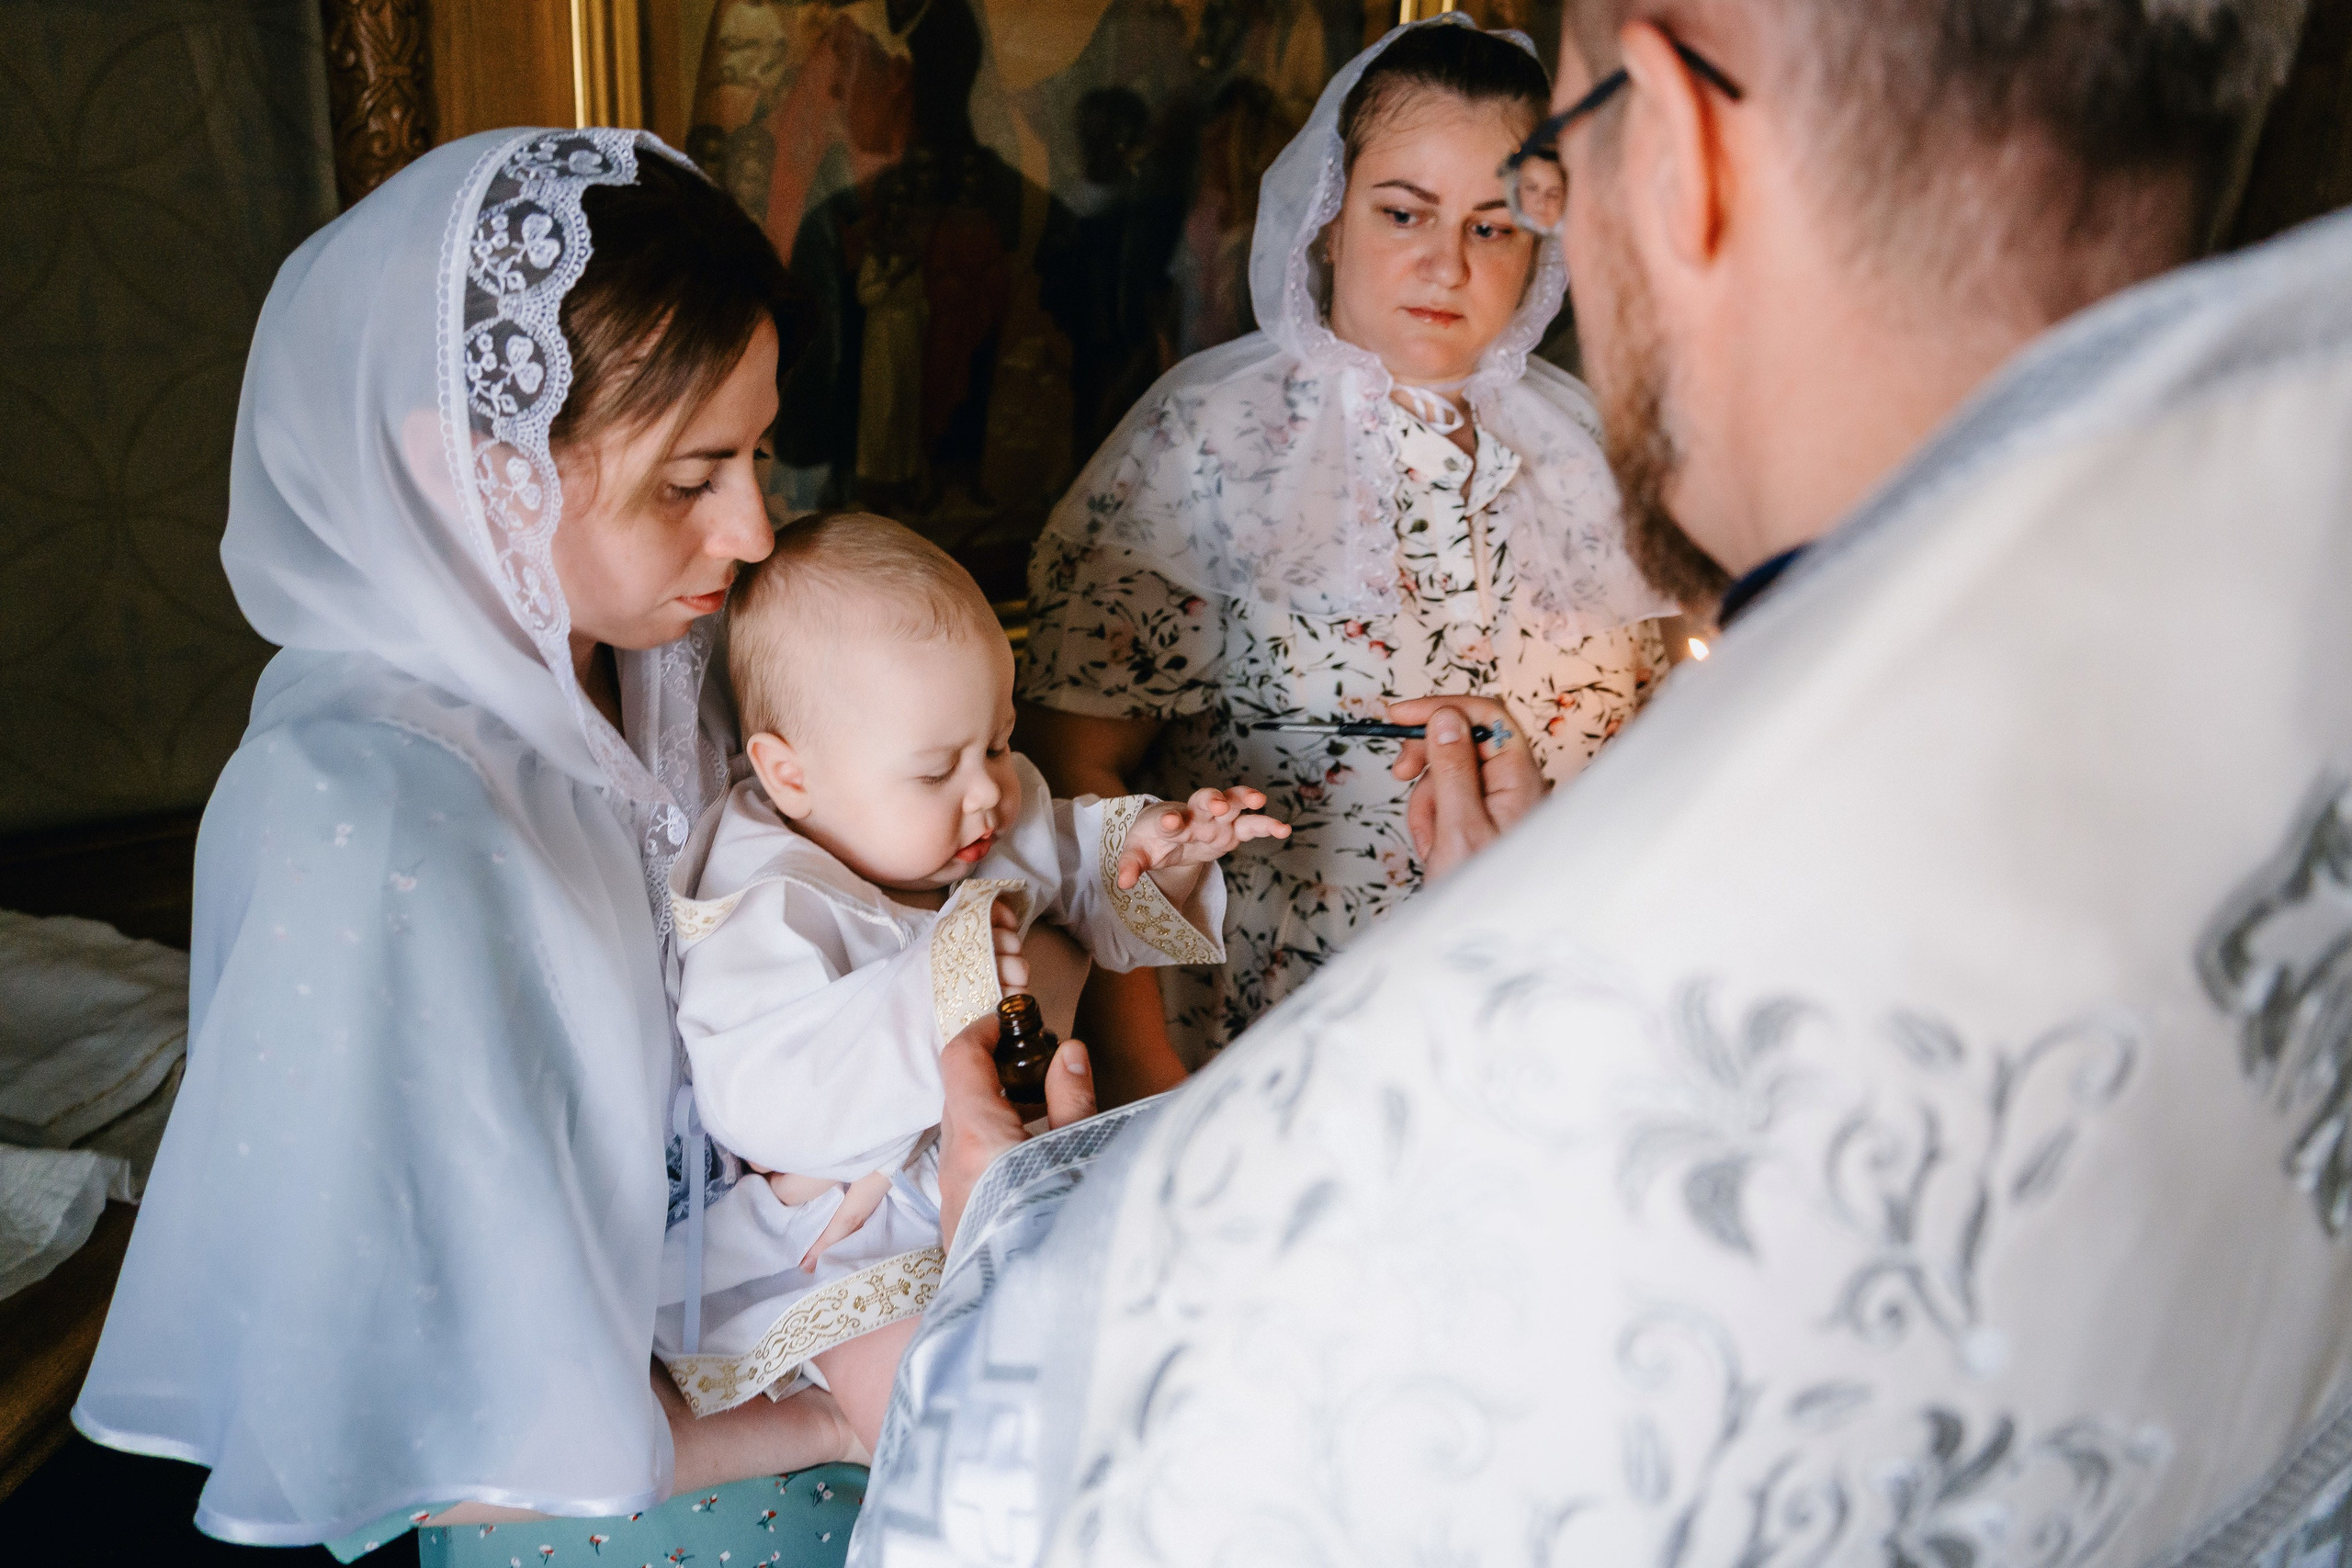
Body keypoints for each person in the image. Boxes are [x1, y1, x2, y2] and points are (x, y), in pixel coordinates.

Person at [855, 1, 2352, 1563]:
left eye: (1542, 184)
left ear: (1681, 157)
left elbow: (1062, 1482)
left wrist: (1023, 1243)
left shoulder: (1524, 1067)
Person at [68, 130, 923, 1564]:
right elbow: (410, 1432)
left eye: (760, 454)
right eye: (689, 476)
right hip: (645, 1523)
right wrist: (844, 1423)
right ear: (475, 464)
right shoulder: (363, 805)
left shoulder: (660, 680)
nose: (756, 529)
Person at [1019, 16, 1671, 1084]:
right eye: (1403, 212)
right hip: (1263, 1044)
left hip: (1549, 1033)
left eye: (1492, 227)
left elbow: (1660, 752)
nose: (1443, 264)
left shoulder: (1604, 451)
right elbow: (1078, 773)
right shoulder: (1207, 440)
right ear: (1327, 217)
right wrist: (1142, 1078)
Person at [652, 512, 1283, 1450]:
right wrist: (938, 986)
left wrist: (1156, 852)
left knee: (1177, 1334)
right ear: (790, 776)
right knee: (937, 1412)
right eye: (938, 768)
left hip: (1038, 1174)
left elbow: (1075, 866)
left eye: (995, 742)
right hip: (862, 1248)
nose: (987, 789)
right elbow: (760, 1095)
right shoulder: (763, 897)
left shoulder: (985, 814)